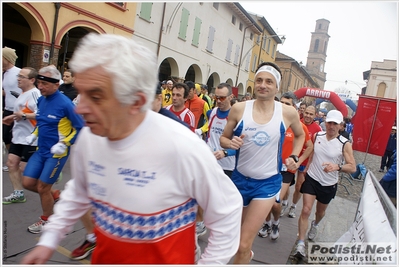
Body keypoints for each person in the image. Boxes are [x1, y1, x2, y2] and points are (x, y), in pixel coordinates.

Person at [21, 33, 242, 265]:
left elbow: (227, 210)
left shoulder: (182, 146)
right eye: (80, 93)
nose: (79, 109)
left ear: (136, 102)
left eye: (95, 97)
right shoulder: (89, 137)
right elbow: (80, 190)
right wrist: (49, 240)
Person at [220, 62, 305, 264]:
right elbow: (224, 138)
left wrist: (294, 156)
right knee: (235, 241)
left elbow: (301, 136)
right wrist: (230, 142)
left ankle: (245, 252)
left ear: (277, 87)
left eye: (269, 81)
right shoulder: (239, 109)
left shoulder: (287, 112)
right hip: (239, 181)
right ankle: (246, 256)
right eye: (259, 80)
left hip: (267, 184)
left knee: (242, 243)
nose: (263, 85)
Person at [22, 65, 84, 234]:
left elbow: (81, 127)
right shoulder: (41, 99)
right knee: (27, 182)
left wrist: (65, 144)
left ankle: (47, 220)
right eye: (39, 83)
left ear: (56, 84)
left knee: (42, 187)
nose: (40, 87)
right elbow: (42, 121)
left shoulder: (66, 104)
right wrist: (34, 134)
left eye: (44, 84)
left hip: (57, 154)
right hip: (41, 150)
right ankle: (54, 194)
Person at [293, 110, 356, 259]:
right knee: (306, 210)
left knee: (320, 213)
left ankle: (315, 224)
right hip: (312, 179)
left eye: (335, 124)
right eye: (329, 123)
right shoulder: (317, 136)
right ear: (325, 122)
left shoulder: (344, 144)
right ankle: (300, 244)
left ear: (341, 126)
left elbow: (352, 167)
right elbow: (311, 152)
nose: (331, 126)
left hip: (328, 184)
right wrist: (303, 166)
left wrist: (337, 167)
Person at [258, 92, 313, 240]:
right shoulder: (270, 121)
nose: (283, 107)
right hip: (268, 167)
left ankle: (275, 223)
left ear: (294, 107)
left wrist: (299, 162)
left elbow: (309, 147)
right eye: (281, 103)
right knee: (264, 201)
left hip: (285, 170)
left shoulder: (299, 126)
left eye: (287, 104)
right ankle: (267, 223)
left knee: (275, 202)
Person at [2, 67, 41, 204]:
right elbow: (21, 113)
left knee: (26, 171)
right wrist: (12, 117)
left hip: (31, 138)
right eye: (18, 75)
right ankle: (18, 194)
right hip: (18, 136)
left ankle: (52, 191)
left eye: (22, 76)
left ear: (32, 80)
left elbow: (41, 114)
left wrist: (23, 115)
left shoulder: (35, 94)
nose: (18, 78)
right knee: (11, 163)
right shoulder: (22, 93)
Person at [287, 105, 322, 218]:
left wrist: (309, 164)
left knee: (298, 187)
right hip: (292, 158)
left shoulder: (317, 129)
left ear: (315, 115)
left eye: (311, 114)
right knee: (286, 185)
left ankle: (293, 206)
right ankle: (284, 202)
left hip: (304, 161)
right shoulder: (296, 122)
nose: (308, 116)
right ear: (303, 112)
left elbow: (315, 148)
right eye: (306, 113)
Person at [2, 46, 22, 171]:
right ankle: (12, 161)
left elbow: (24, 90)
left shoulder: (18, 72)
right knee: (6, 137)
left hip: (18, 110)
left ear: (7, 58)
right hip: (8, 108)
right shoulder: (5, 73)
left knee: (15, 137)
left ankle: (16, 161)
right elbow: (7, 92)